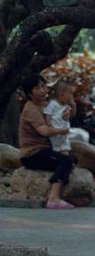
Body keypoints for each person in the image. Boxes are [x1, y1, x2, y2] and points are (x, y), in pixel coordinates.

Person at [19, 74, 75, 209]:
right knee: (66, 161)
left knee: (72, 159)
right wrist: (62, 131)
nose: (44, 90)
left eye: (44, 86)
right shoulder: (30, 109)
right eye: (38, 88)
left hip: (46, 149)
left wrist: (69, 111)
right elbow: (44, 131)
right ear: (30, 93)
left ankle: (59, 187)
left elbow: (65, 112)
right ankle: (53, 198)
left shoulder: (46, 104)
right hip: (32, 154)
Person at [43, 80, 77, 155]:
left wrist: (73, 106)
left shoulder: (66, 106)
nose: (72, 97)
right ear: (61, 95)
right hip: (55, 133)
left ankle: (66, 161)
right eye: (70, 94)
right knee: (56, 150)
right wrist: (50, 126)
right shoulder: (53, 104)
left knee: (65, 149)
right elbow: (47, 114)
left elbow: (72, 115)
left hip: (64, 134)